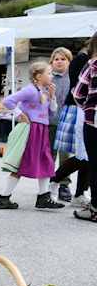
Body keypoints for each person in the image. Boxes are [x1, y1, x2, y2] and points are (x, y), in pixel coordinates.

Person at [0, 62, 65, 210]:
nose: (52, 75)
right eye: (49, 73)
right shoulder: (30, 90)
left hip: (41, 130)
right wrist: (20, 114)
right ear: (39, 76)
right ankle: (4, 197)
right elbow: (8, 101)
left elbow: (51, 113)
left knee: (47, 162)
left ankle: (43, 196)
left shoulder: (44, 92)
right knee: (22, 163)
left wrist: (52, 97)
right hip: (32, 130)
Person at [55, 46, 91, 208]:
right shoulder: (83, 60)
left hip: (86, 109)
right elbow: (78, 91)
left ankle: (79, 193)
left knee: (88, 156)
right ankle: (52, 183)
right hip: (78, 109)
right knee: (83, 155)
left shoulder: (87, 61)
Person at [71, 37, 97, 222]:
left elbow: (79, 93)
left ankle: (95, 209)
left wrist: (87, 106)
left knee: (95, 163)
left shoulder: (92, 64)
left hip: (94, 120)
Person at [48, 47, 73, 201]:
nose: (59, 62)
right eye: (56, 59)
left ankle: (64, 183)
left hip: (68, 120)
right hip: (50, 121)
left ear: (69, 62)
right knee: (49, 154)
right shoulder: (48, 76)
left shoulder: (73, 76)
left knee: (66, 156)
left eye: (63, 59)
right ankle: (48, 182)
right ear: (52, 61)